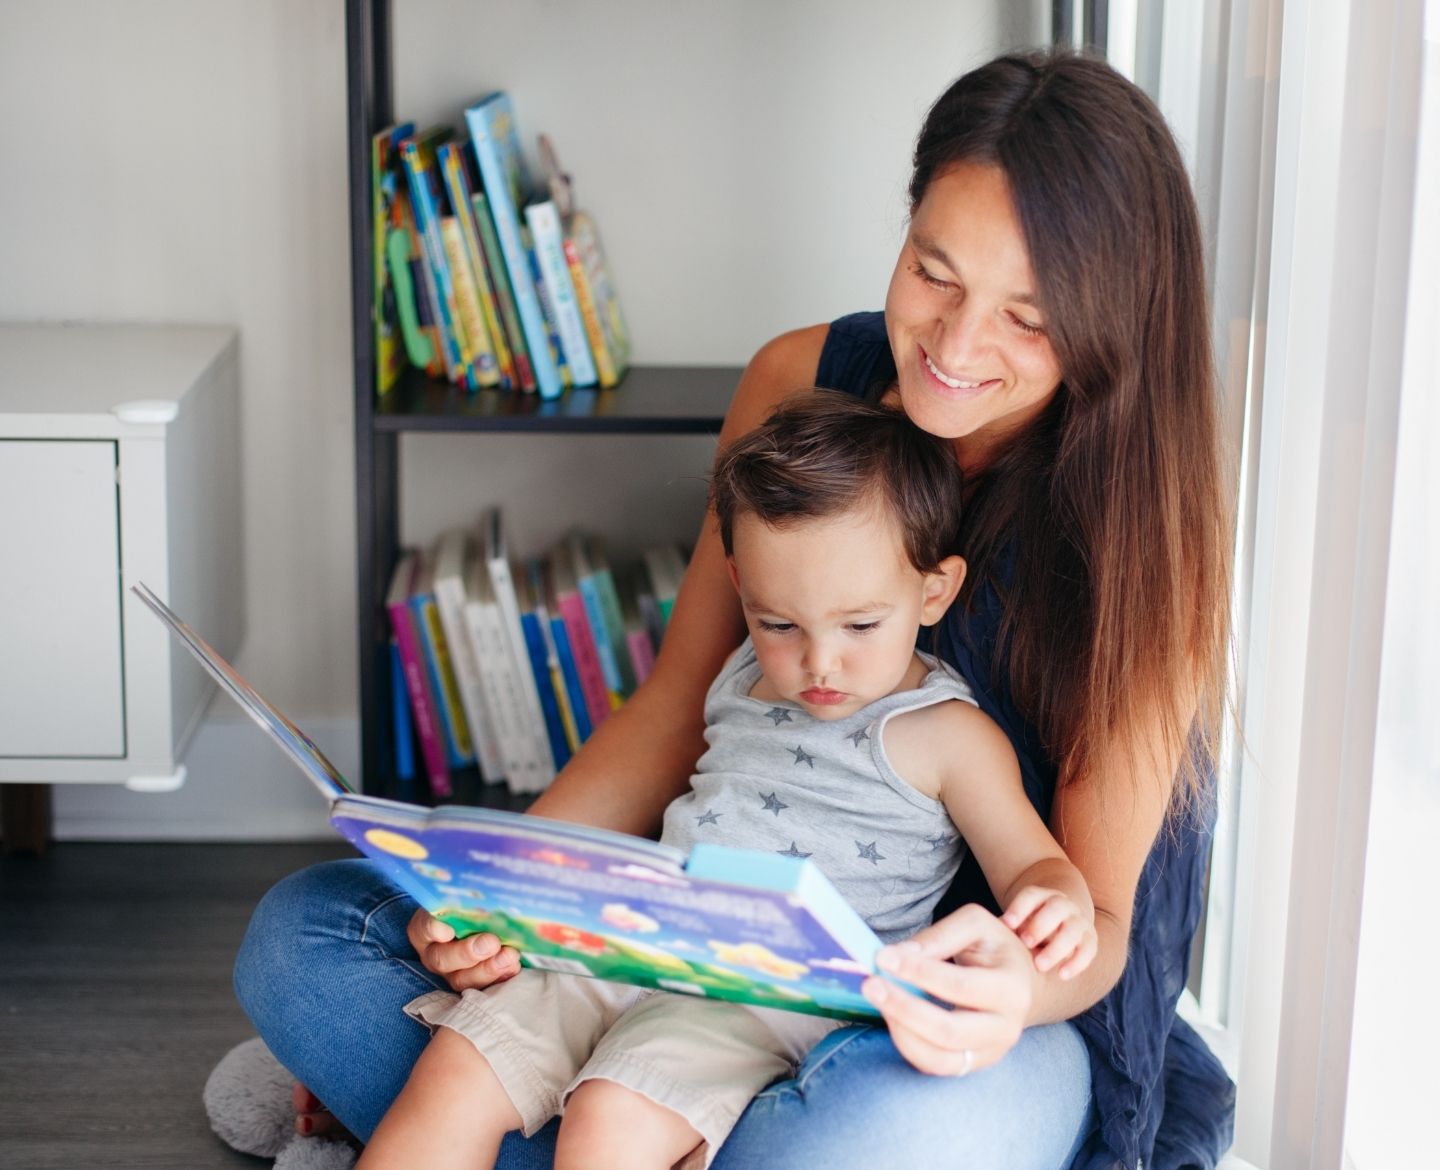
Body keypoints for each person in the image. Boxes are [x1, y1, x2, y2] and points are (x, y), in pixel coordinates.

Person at [234, 48, 1235, 1170]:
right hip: (677, 964)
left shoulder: (1146, 537)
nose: (955, 347)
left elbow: (1088, 926)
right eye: (935, 273)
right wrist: (501, 897)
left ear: (1108, 325)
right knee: (299, 938)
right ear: (905, 227)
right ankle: (607, 1122)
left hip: (958, 1022)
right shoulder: (797, 384)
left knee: (877, 1130)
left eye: (1029, 319)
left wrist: (1012, 985)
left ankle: (568, 1124)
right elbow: (672, 715)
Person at [355, 394, 1099, 1170]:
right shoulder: (740, 673)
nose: (818, 662)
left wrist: (1057, 903)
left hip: (759, 996)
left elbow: (1035, 865)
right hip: (630, 939)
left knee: (612, 1121)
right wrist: (495, 894)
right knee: (455, 1067)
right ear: (741, 586)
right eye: (779, 623)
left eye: (860, 626)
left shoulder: (948, 735)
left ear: (934, 591)